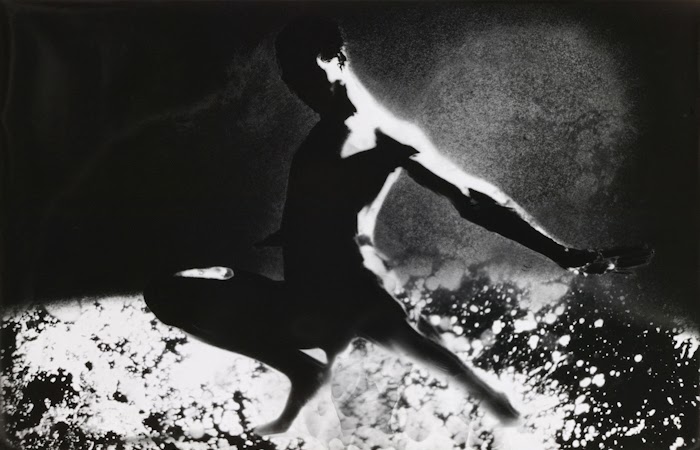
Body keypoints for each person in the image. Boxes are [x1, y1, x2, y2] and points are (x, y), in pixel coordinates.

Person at [144, 15, 652, 436]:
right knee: (167, 293)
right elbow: (332, 204)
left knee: (483, 394)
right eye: (287, 74)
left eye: (303, 69)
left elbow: (474, 198)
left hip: (353, 296)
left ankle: (524, 427)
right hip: (304, 299)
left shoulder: (384, 134)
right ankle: (301, 369)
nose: (295, 84)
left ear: (337, 58)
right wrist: (296, 231)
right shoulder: (325, 133)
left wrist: (563, 253)